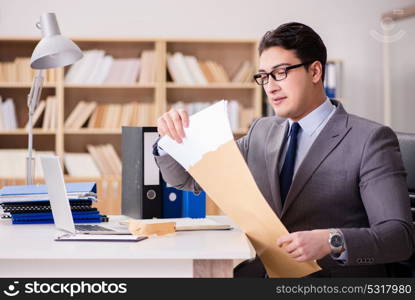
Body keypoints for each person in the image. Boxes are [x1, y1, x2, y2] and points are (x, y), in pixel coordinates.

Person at [153, 22, 414, 277]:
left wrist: (332, 240)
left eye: (281, 72)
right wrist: (170, 141)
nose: (270, 86)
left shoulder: (370, 139)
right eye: (264, 76)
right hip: (264, 272)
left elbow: (399, 237)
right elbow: (188, 180)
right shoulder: (261, 132)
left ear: (315, 72)